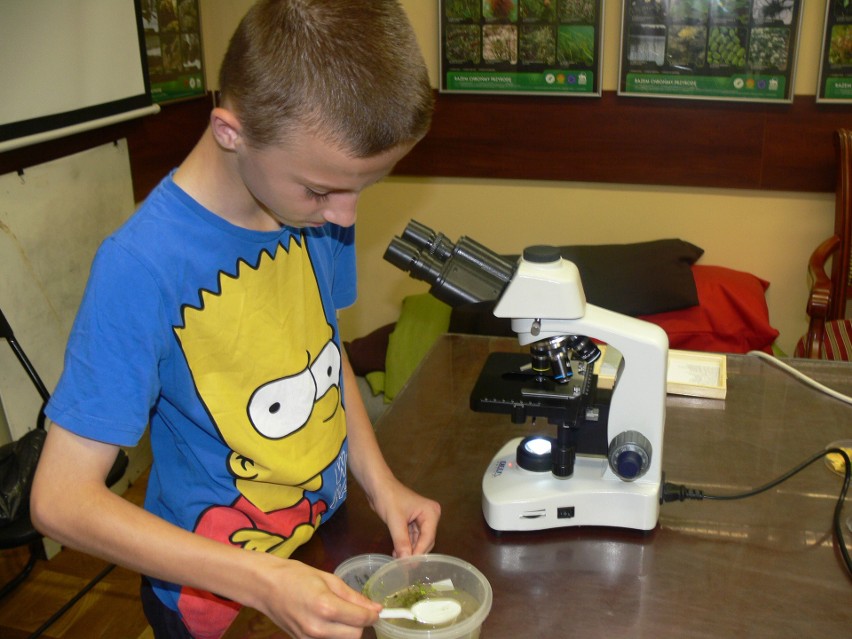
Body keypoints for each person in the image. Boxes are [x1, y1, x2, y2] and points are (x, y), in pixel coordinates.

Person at [30, 1, 441, 638]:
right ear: (230, 131)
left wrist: (381, 483)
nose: (346, 217)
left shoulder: (315, 213)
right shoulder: (141, 266)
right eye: (321, 189)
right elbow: (59, 500)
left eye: (368, 186)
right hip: (216, 595)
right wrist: (262, 581)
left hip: (317, 543)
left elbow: (323, 360)